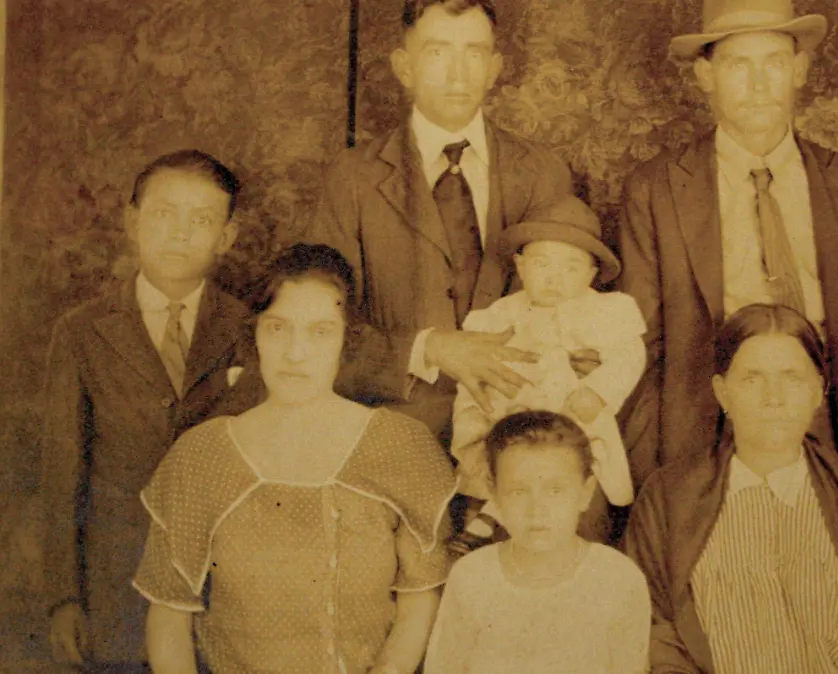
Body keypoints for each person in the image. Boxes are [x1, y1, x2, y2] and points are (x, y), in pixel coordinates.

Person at [134, 244, 457, 673]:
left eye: (320, 331)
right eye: (278, 328)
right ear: (254, 336)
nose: (296, 352)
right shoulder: (203, 454)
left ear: (348, 340)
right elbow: (169, 616)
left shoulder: (399, 446)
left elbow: (420, 600)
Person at [619, 0, 838, 486]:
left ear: (799, 69)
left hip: (826, 418)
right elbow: (641, 347)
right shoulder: (655, 189)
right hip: (706, 424)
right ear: (705, 75)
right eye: (737, 64)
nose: (757, 84)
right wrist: (654, 482)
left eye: (773, 63)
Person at [623, 304, 838, 674]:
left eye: (793, 378)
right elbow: (650, 630)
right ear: (722, 393)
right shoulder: (669, 499)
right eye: (752, 379)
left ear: (819, 391)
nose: (773, 398)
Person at [307, 0, 577, 443]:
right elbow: (317, 326)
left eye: (473, 53)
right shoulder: (352, 177)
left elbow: (576, 315)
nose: (458, 74)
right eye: (437, 52)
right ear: (403, 66)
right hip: (391, 431)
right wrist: (427, 348)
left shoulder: (544, 173)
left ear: (494, 68)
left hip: (518, 432)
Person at [39, 150, 248, 669]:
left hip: (223, 585)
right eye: (163, 214)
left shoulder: (251, 328)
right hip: (118, 585)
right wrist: (64, 597)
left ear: (227, 236)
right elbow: (62, 476)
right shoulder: (81, 331)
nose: (180, 233)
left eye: (201, 220)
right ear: (132, 222)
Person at [450, 196, 645, 548]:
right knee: (506, 452)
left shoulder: (607, 311)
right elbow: (473, 374)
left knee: (570, 481)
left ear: (591, 274)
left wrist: (599, 391)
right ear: (520, 266)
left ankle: (494, 515)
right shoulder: (496, 316)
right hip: (511, 419)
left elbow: (628, 356)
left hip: (574, 419)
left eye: (571, 267)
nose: (555, 278)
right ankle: (494, 510)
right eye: (542, 264)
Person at [425, 410, 651, 674]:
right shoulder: (471, 576)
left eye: (555, 491)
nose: (537, 510)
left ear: (585, 493)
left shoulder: (618, 579)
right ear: (494, 492)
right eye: (519, 492)